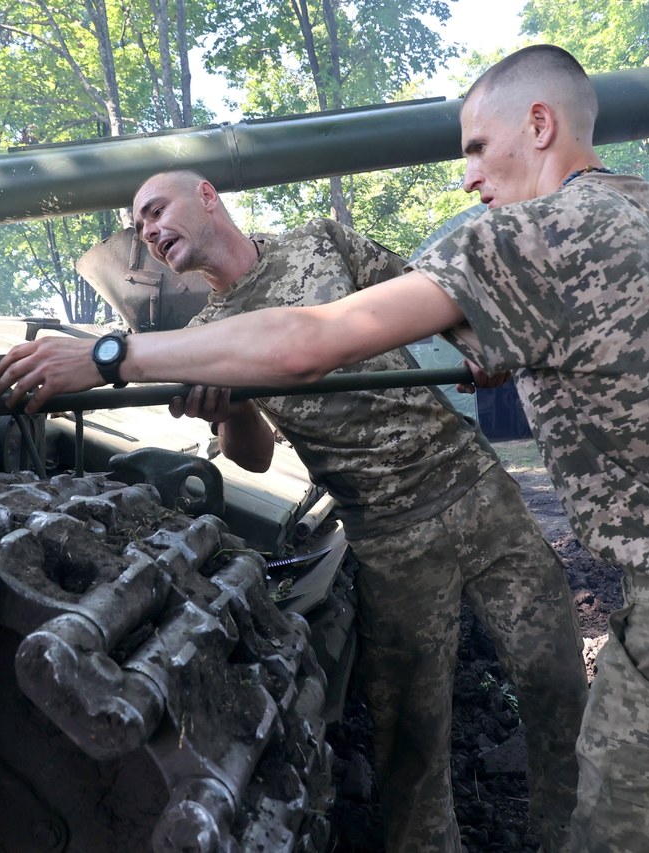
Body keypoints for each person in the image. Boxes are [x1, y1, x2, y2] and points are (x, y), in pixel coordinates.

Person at [0, 44, 649, 851]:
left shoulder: (504, 238)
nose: (469, 173)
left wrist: (109, 353)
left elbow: (311, 339)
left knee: (584, 741)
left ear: (540, 127)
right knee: (419, 738)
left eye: (478, 146)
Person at [120, 168, 590, 853]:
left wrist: (481, 346)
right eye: (139, 229)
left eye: (155, 210)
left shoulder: (320, 242)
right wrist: (237, 407)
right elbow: (250, 458)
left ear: (207, 196)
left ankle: (574, 838)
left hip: (473, 487)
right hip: (387, 533)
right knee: (412, 734)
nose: (150, 232)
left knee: (555, 682)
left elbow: (424, 294)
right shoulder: (211, 336)